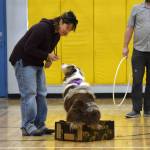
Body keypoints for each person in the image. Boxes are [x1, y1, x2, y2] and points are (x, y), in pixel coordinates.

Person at [9, 11, 78, 136]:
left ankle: (40, 124)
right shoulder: (42, 28)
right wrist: (46, 55)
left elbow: (46, 50)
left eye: (70, 30)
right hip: (23, 60)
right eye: (67, 28)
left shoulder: (57, 35)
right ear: (61, 22)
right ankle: (27, 126)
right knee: (29, 93)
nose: (67, 32)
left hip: (35, 61)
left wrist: (48, 59)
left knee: (41, 93)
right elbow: (28, 47)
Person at [123, 0, 150, 118]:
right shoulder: (136, 9)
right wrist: (125, 46)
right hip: (138, 51)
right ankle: (136, 109)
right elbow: (129, 28)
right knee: (137, 81)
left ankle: (148, 110)